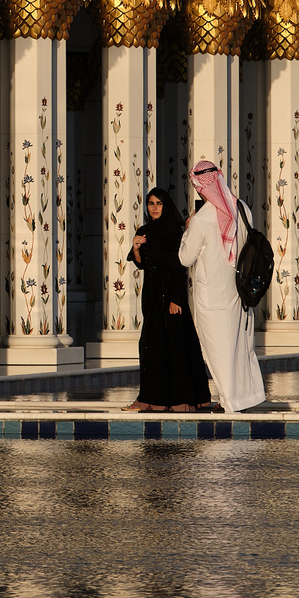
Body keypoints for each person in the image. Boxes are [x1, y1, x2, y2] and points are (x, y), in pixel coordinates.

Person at [178, 160, 266, 413]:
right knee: (240, 345)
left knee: (218, 349)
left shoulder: (202, 219)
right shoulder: (242, 208)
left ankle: (229, 402)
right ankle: (247, 397)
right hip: (239, 291)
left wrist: (186, 231)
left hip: (212, 296)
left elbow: (185, 258)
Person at [126, 187, 210, 412]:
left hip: (171, 295)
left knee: (176, 345)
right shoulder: (145, 230)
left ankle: (183, 399)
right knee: (151, 347)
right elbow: (142, 263)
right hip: (152, 297)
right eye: (151, 204)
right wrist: (135, 249)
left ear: (166, 205)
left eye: (159, 204)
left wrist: (176, 299)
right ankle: (153, 399)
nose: (154, 208)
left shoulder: (175, 231)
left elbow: (179, 267)